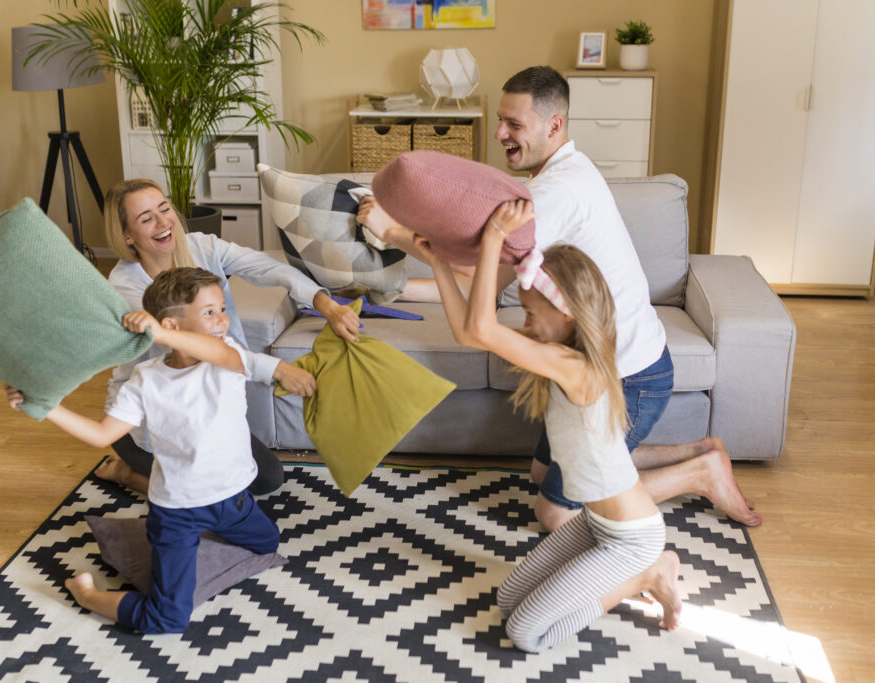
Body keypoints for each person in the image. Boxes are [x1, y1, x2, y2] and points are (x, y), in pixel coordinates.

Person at [360, 66, 760, 532]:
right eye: (500, 120)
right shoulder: (561, 173)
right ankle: (698, 450)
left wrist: (394, 232)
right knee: (541, 473)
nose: (499, 133)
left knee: (557, 513)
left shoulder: (553, 193)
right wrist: (405, 275)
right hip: (616, 360)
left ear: (554, 126)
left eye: (514, 123)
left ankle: (698, 473)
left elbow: (477, 285)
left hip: (625, 376)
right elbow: (480, 291)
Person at [418, 200, 681, 652]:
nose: (525, 325)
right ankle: (643, 572)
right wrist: (439, 264)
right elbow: (468, 331)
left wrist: (495, 237)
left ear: (567, 314)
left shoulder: (575, 366)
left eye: (530, 314)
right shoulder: (560, 352)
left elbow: (481, 327)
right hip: (593, 523)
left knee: (526, 633)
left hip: (631, 539)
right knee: (507, 598)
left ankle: (649, 574)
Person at [7, 267, 282, 634]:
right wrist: (48, 407)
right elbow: (101, 433)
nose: (222, 318)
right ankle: (87, 596)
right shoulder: (147, 379)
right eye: (209, 311)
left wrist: (163, 331)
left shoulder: (226, 355)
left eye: (221, 308)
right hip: (178, 513)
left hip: (233, 499)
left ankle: (132, 480)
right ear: (172, 323)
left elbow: (217, 349)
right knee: (167, 619)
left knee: (269, 542)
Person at [97, 178, 361, 498]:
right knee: (207, 496)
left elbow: (267, 268)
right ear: (127, 235)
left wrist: (328, 306)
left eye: (164, 209)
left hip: (207, 410)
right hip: (152, 420)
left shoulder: (203, 247)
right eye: (146, 218)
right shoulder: (125, 287)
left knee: (266, 479)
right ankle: (129, 474)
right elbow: (194, 348)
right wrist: (276, 368)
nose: (163, 221)